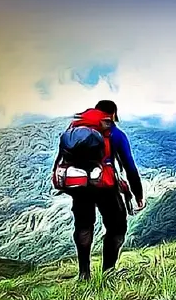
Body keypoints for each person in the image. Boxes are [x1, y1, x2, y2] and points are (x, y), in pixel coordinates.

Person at [52, 100, 145, 280]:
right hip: (106, 187)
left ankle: (84, 274)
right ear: (112, 115)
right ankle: (108, 272)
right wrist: (138, 194)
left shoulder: (75, 128)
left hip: (79, 186)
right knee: (116, 228)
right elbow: (129, 167)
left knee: (83, 226)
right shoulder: (115, 134)